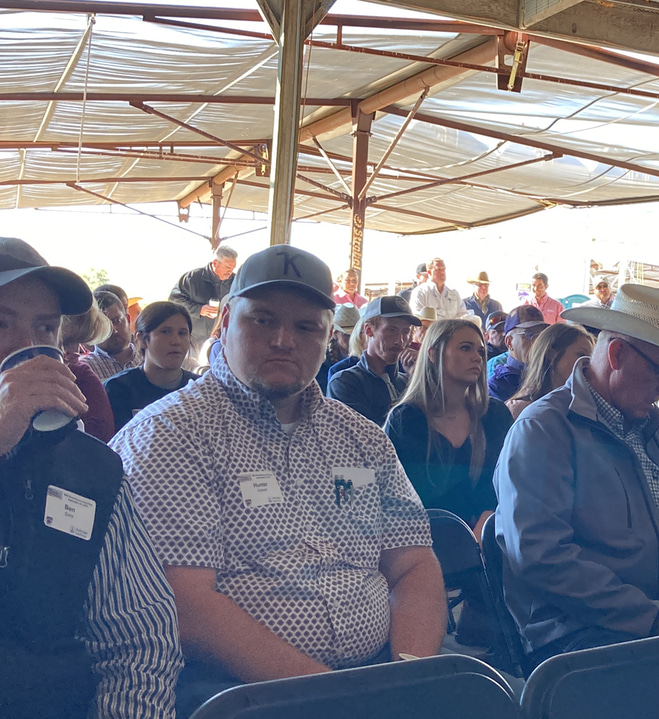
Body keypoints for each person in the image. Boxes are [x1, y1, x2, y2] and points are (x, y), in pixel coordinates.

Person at [111, 246, 446, 715]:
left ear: (330, 336)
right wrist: (343, 699)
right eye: (263, 320)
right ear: (225, 322)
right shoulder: (170, 436)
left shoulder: (360, 438)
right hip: (235, 691)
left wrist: (407, 675)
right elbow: (184, 605)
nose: (284, 340)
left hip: (380, 674)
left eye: (306, 326)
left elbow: (413, 563)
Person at [494, 284, 659, 667]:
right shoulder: (544, 429)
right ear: (616, 353)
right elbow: (540, 557)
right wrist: (650, 614)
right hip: (578, 633)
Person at [0, 237, 182, 718]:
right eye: (1, 322)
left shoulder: (90, 469)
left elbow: (140, 639)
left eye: (44, 327)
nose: (27, 346)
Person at [385, 319, 513, 533]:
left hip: (491, 536)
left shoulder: (495, 415)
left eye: (481, 352)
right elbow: (395, 496)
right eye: (465, 348)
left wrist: (487, 520)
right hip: (421, 540)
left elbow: (509, 482)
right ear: (434, 354)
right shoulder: (406, 420)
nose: (476, 358)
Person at [104, 302, 200, 435]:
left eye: (182, 333)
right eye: (166, 332)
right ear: (142, 340)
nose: (176, 341)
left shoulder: (199, 389)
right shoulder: (117, 389)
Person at [327, 296, 417, 426]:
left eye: (405, 332)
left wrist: (417, 381)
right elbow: (364, 438)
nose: (400, 341)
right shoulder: (345, 382)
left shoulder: (408, 381)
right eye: (391, 330)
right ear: (369, 330)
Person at [505, 324, 594, 420]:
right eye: (581, 355)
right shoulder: (519, 410)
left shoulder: (584, 407)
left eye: (591, 358)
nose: (587, 364)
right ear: (551, 354)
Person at [58, 303, 116, 442]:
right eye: (64, 342)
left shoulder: (82, 376)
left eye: (79, 342)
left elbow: (103, 441)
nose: (75, 353)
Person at [169, 245, 237, 361]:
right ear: (215, 263)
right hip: (194, 339)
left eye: (233, 268)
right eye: (227, 267)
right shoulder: (192, 279)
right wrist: (198, 310)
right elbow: (174, 300)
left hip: (222, 342)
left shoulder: (236, 282)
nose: (230, 272)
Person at [488, 305, 547, 402]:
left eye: (542, 335)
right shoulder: (498, 385)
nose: (538, 341)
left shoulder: (550, 373)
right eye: (530, 335)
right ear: (509, 342)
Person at [82, 289, 143, 381]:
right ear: (92, 329)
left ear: (128, 319)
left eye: (117, 321)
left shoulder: (148, 358)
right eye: (103, 325)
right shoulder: (86, 370)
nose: (113, 330)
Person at [318, 302, 360, 393]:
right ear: (335, 334)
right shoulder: (322, 361)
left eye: (355, 335)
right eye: (347, 335)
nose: (351, 339)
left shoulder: (365, 359)